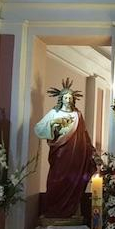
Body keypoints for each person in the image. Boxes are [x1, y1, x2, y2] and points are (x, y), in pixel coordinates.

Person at [34, 78, 97, 221]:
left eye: (70, 97)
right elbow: (39, 129)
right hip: (60, 153)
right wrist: (54, 124)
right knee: (57, 179)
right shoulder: (54, 113)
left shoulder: (77, 115)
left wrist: (92, 151)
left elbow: (84, 135)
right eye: (65, 97)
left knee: (74, 180)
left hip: (76, 155)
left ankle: (71, 209)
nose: (68, 100)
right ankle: (54, 209)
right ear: (60, 99)